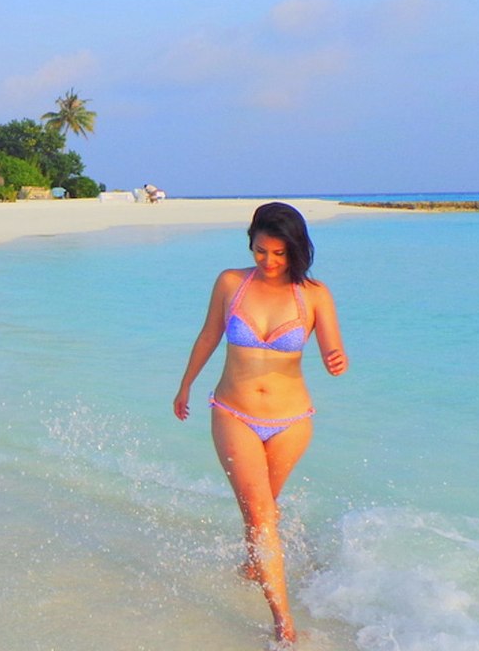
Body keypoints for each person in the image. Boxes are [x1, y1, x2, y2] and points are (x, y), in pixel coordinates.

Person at [172, 202, 347, 644]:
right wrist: (186, 385)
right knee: (262, 512)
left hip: (292, 420)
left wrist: (335, 360)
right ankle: (283, 624)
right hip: (234, 412)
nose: (269, 262)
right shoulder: (231, 282)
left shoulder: (314, 294)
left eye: (279, 254)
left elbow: (332, 349)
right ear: (250, 244)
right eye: (260, 252)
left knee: (263, 509)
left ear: (297, 250)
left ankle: (254, 564)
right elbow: (209, 334)